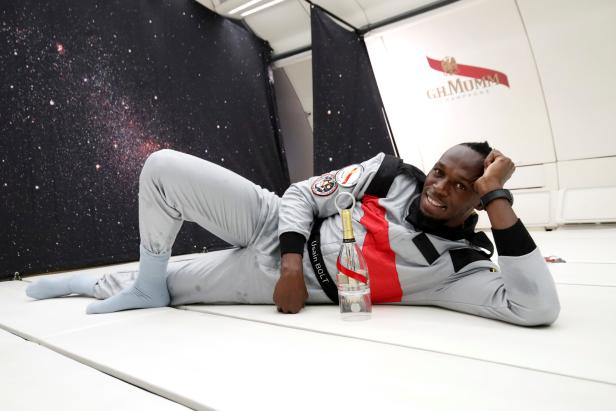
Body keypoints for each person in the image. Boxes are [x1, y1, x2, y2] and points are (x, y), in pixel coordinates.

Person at [26, 142, 560, 326]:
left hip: (274, 282)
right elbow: (302, 194)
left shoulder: (456, 266)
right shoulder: (392, 174)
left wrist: (498, 197)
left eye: (465, 186)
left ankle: (99, 283)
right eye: (441, 170)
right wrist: (288, 263)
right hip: (272, 227)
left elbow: (535, 308)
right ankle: (146, 286)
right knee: (162, 167)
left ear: (481, 201)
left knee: (177, 281)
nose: (440, 187)